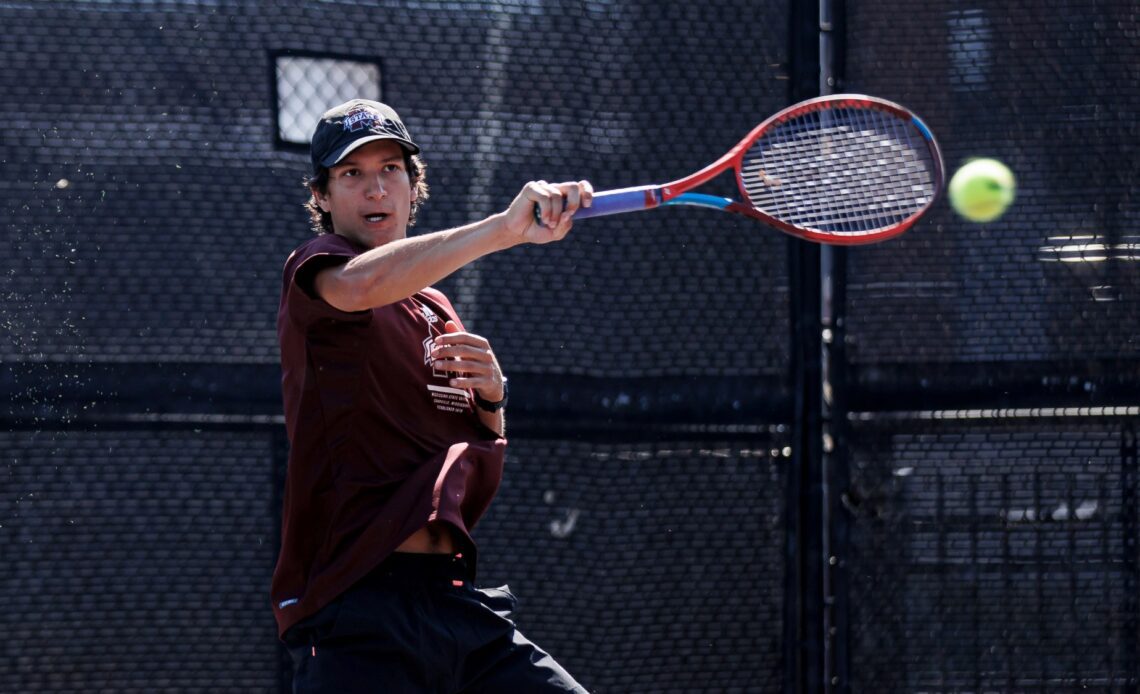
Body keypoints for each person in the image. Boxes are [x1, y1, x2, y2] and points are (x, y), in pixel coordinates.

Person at [270, 98, 593, 693]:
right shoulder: (319, 269)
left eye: (391, 169)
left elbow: (466, 474)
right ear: (321, 195)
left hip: (456, 605)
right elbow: (365, 281)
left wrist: (493, 403)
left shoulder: (436, 308)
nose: (375, 189)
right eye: (351, 174)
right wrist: (505, 228)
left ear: (413, 184)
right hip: (355, 611)